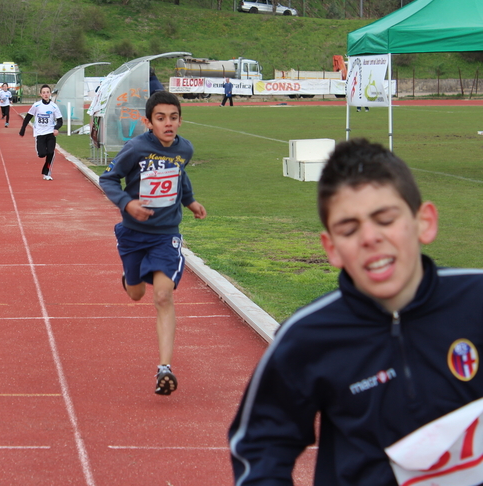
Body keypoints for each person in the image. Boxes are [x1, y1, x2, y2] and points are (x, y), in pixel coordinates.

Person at [229, 138, 483, 485]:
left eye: (385, 219)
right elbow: (259, 445)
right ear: (331, 248)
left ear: (425, 222)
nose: (369, 238)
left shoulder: (476, 300)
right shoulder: (308, 336)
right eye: (349, 229)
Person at [99, 91, 207, 396]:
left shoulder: (184, 149)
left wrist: (190, 201)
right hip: (133, 234)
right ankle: (129, 277)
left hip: (165, 235)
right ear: (148, 122)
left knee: (162, 296)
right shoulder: (135, 148)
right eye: (161, 118)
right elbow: (108, 179)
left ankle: (164, 369)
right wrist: (127, 204)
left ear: (180, 120)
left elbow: (180, 175)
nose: (168, 124)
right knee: (135, 295)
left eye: (173, 118)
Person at [19, 84, 63, 181]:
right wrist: (23, 128)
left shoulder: (54, 106)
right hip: (39, 133)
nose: (46, 94)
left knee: (51, 152)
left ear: (50, 94)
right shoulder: (36, 105)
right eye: (44, 93)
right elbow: (28, 117)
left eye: (47, 92)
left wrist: (56, 128)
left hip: (50, 133)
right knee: (42, 154)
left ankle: (47, 173)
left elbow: (60, 121)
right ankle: (42, 155)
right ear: (40, 94)